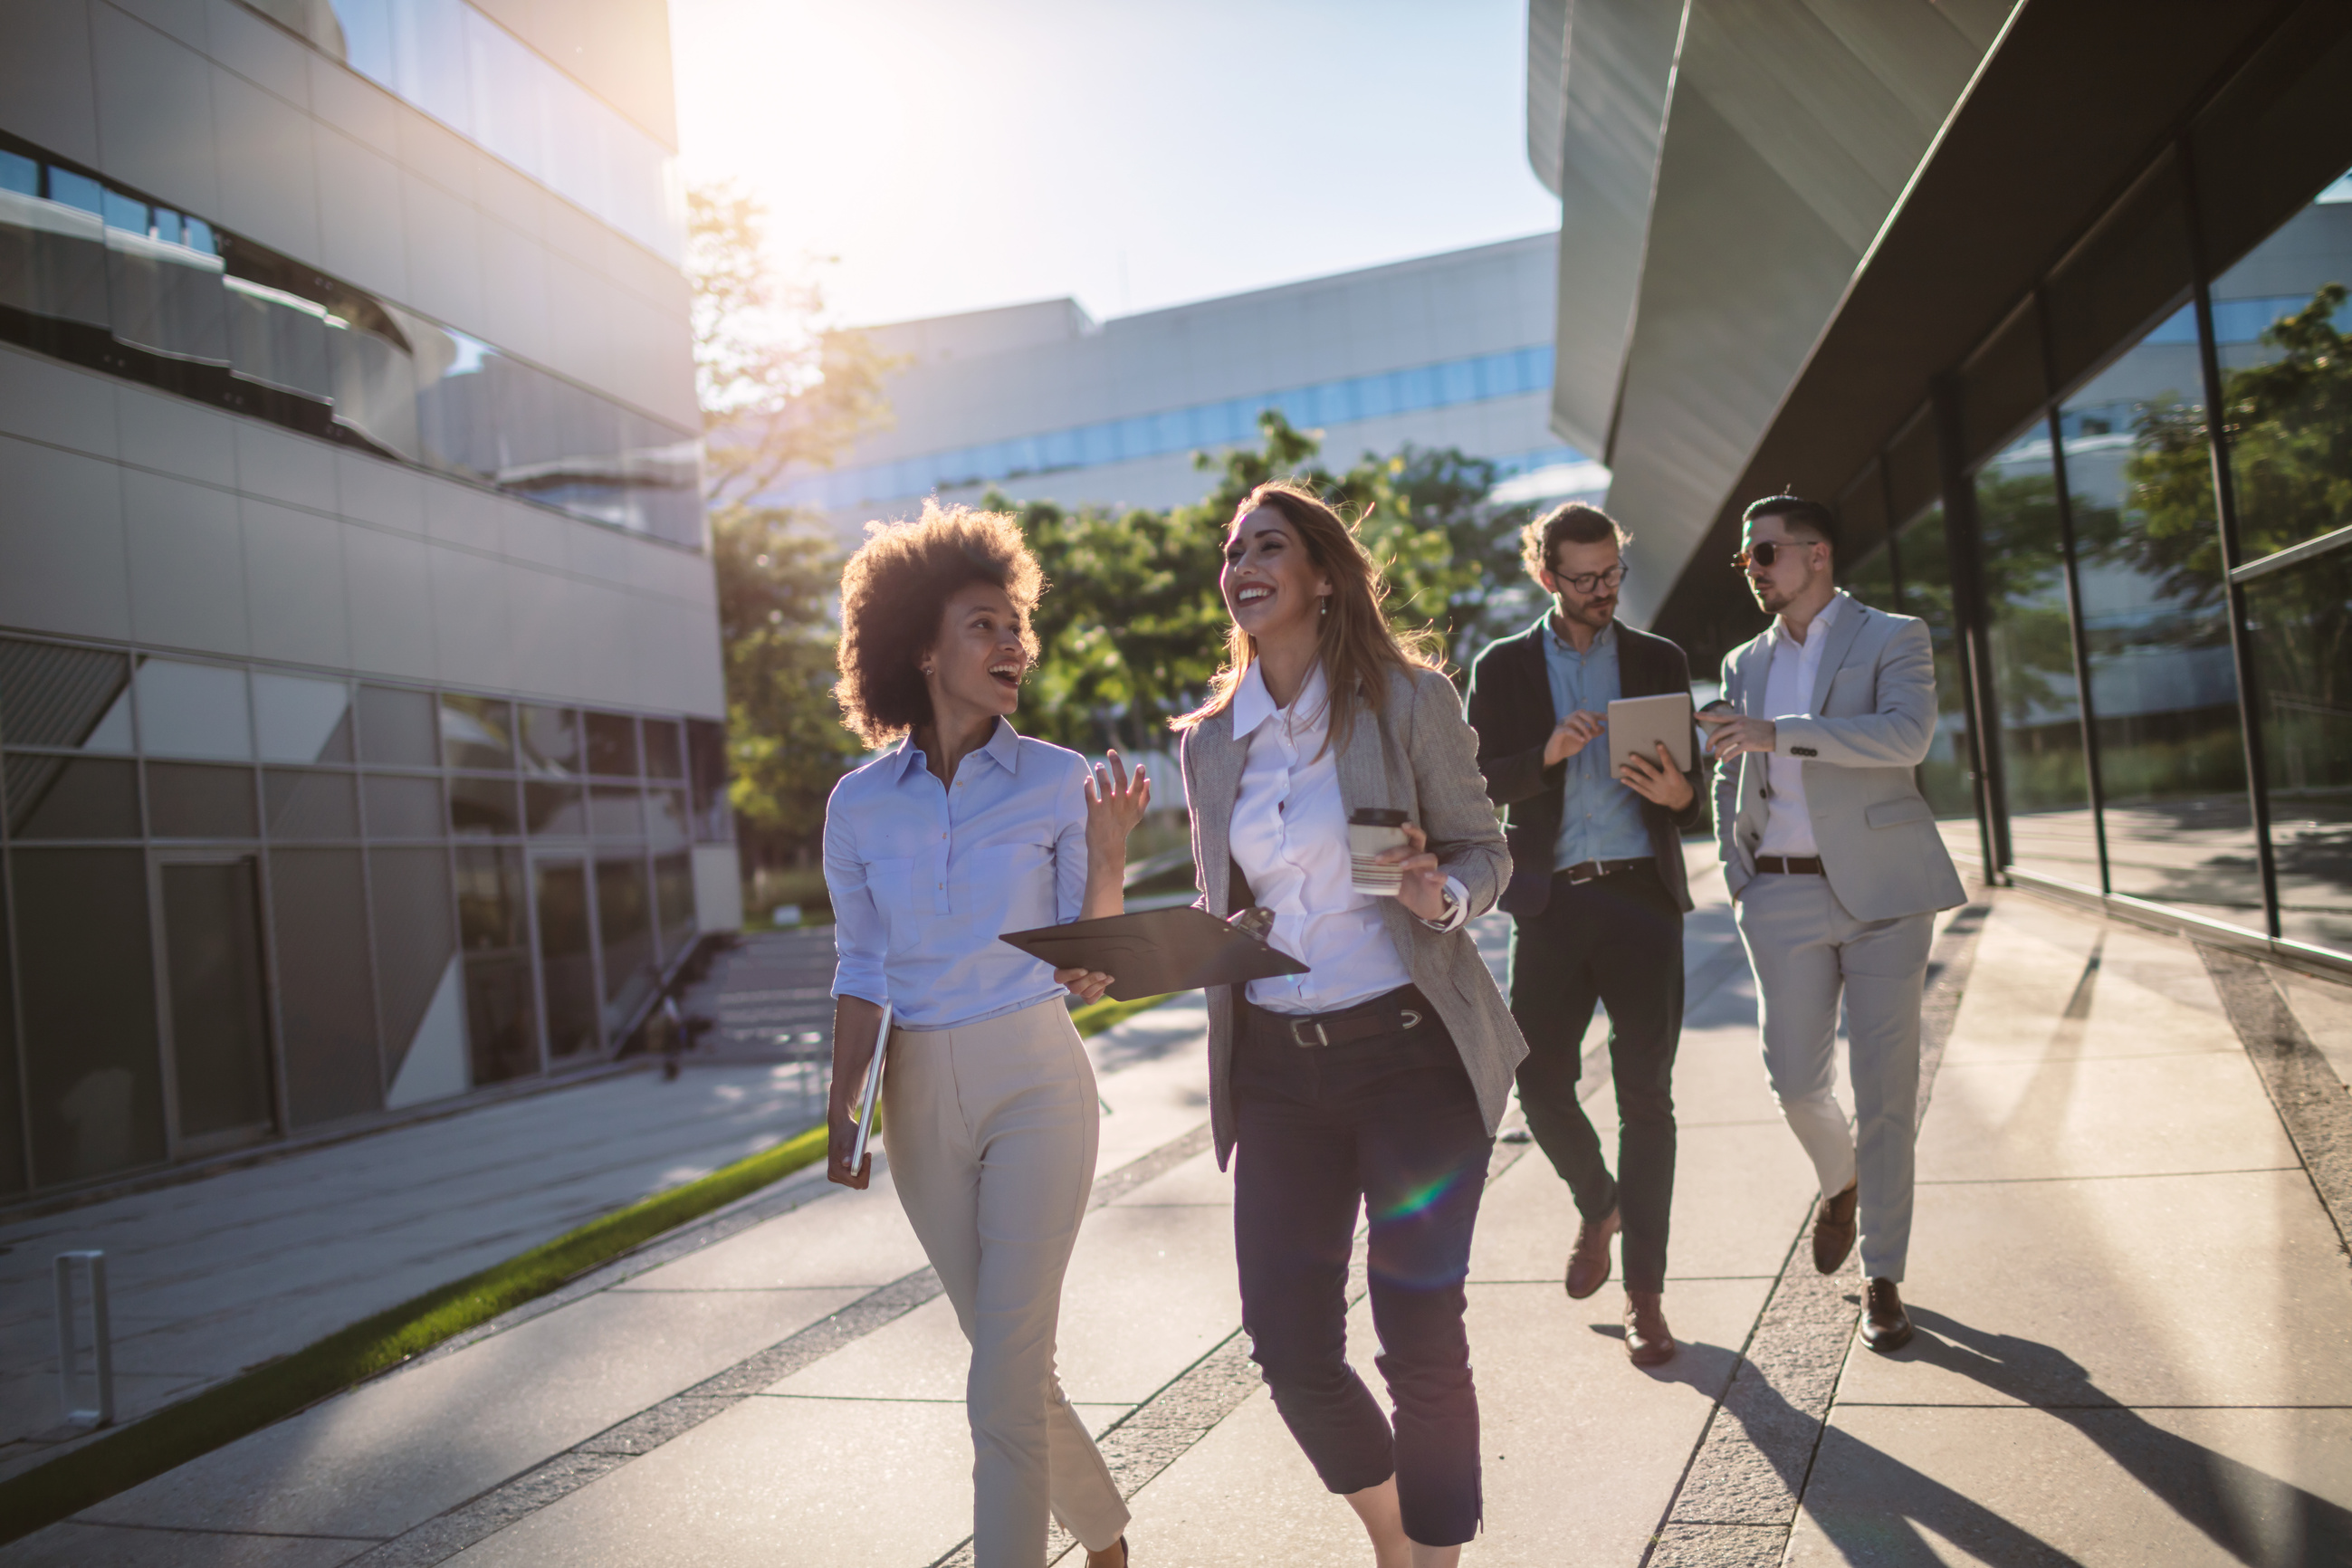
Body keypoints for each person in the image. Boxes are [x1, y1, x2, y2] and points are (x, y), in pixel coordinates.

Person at [1173, 481, 1524, 1567]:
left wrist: (1442, 895)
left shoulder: (1408, 699)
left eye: (1267, 546)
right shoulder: (1209, 741)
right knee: (1287, 1344)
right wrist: (1162, 944)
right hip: (1278, 1071)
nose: (1242, 567)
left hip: (1410, 1054)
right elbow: (1218, 903)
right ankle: (1396, 1539)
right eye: (1232, 552)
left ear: (1322, 574)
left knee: (1419, 1334)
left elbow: (1484, 849)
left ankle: (1437, 1558)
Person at [821, 502, 1151, 1568]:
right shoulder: (857, 805)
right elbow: (861, 963)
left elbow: (1086, 964)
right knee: (1006, 1359)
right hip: (917, 1092)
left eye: (1018, 626)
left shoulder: (1059, 778)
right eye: (983, 626)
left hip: (1034, 1078)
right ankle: (1103, 1534)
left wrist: (1106, 850)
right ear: (919, 647)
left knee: (999, 1376)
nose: (1014, 646)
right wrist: (843, 1104)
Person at [1697, 494, 1965, 1353]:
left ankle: (1881, 1276)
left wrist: (1782, 732)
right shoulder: (1742, 659)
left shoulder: (1894, 636)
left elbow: (1906, 738)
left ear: (1816, 554)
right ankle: (1839, 1178)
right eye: (1745, 560)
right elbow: (1733, 765)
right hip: (1778, 894)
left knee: (1886, 1089)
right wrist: (1737, 870)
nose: (1753, 570)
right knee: (1794, 1080)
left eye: (1764, 554)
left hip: (1885, 891)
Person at [1464, 502, 1705, 1366]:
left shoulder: (1658, 659)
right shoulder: (1503, 667)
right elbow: (1479, 778)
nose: (1603, 591)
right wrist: (1550, 757)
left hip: (1643, 900)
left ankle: (1646, 1296)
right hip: (1553, 905)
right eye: (1584, 578)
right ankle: (1598, 1201)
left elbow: (1695, 792)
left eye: (1612, 575)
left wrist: (1680, 793)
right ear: (1547, 577)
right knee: (1537, 1079)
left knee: (1648, 1100)